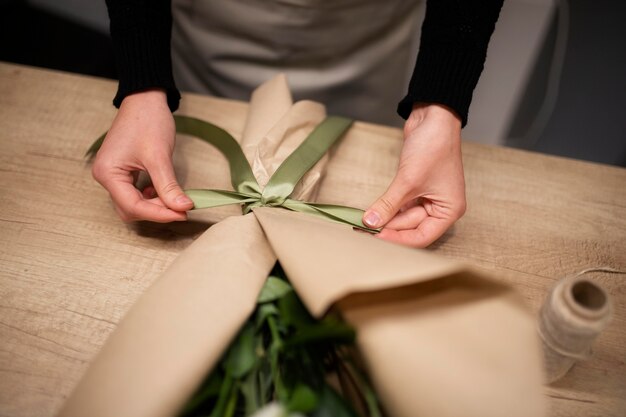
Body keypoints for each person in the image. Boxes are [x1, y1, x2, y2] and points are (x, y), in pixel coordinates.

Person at [93, 0, 504, 247]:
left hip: (367, 30)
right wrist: (143, 85)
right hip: (216, 23)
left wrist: (436, 110)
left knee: (367, 131)